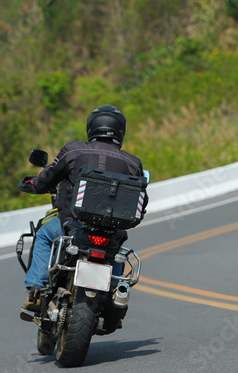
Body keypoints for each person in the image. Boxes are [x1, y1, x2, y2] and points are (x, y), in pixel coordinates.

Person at [18, 105, 149, 313]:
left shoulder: (73, 150)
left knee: (43, 233)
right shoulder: (133, 163)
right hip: (110, 231)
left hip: (73, 225)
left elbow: (46, 178)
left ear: (91, 127)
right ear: (121, 131)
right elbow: (140, 205)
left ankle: (37, 289)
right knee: (116, 250)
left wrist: (33, 184)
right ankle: (115, 291)